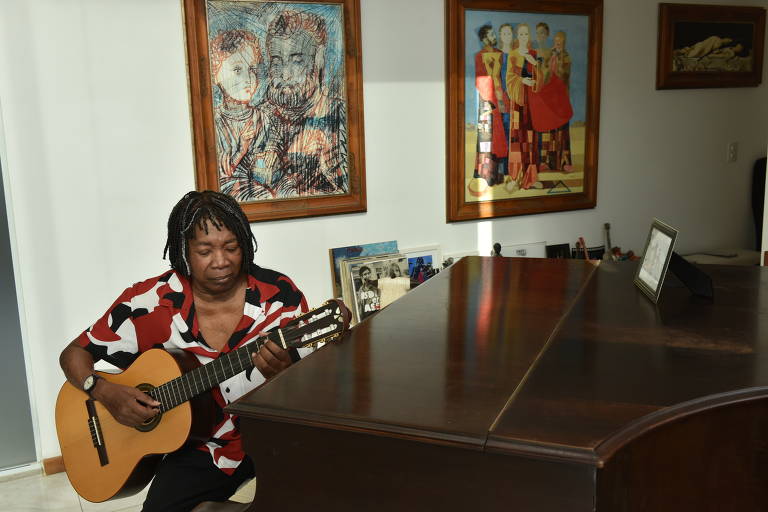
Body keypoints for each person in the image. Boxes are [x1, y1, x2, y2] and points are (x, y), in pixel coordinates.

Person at [58, 190, 309, 511]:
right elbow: (74, 354)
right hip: (203, 447)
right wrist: (104, 391)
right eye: (205, 251)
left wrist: (287, 370)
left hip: (275, 434)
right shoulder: (148, 303)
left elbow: (317, 380)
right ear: (183, 252)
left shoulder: (277, 296)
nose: (221, 261)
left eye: (231, 247)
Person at [257, 10, 348, 198]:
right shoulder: (259, 117)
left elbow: (346, 191)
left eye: (297, 61)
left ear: (319, 59)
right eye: (277, 61)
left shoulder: (338, 116)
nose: (285, 75)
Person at [210, 30, 275, 201]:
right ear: (216, 74)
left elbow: (272, 157)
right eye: (237, 70)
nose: (248, 78)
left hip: (263, 185)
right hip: (232, 192)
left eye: (252, 69)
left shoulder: (262, 117)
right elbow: (224, 174)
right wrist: (242, 148)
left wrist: (270, 157)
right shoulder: (215, 122)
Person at [530, 30, 573, 172]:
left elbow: (563, 75)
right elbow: (545, 72)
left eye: (560, 40)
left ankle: (563, 162)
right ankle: (547, 162)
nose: (557, 42)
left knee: (561, 132)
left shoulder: (566, 57)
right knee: (549, 130)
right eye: (556, 39)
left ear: (564, 41)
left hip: (561, 98)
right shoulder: (550, 54)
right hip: (551, 97)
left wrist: (557, 57)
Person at [505, 23, 542, 191]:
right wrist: (522, 80)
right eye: (521, 34)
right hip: (518, 103)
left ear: (529, 36)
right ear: (517, 37)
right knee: (516, 138)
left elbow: (541, 79)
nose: (524, 37)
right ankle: (515, 177)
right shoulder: (512, 54)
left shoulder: (533, 54)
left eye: (526, 34)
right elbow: (509, 78)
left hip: (532, 104)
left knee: (531, 139)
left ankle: (531, 178)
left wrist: (534, 63)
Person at [473, 25, 508, 186]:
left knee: (501, 137)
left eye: (494, 33)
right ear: (484, 38)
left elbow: (502, 78)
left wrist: (501, 99)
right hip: (487, 101)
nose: (494, 36)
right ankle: (487, 174)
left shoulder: (500, 54)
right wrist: (489, 101)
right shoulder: (479, 56)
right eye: (491, 34)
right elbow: (480, 80)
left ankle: (500, 174)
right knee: (487, 137)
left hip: (500, 99)